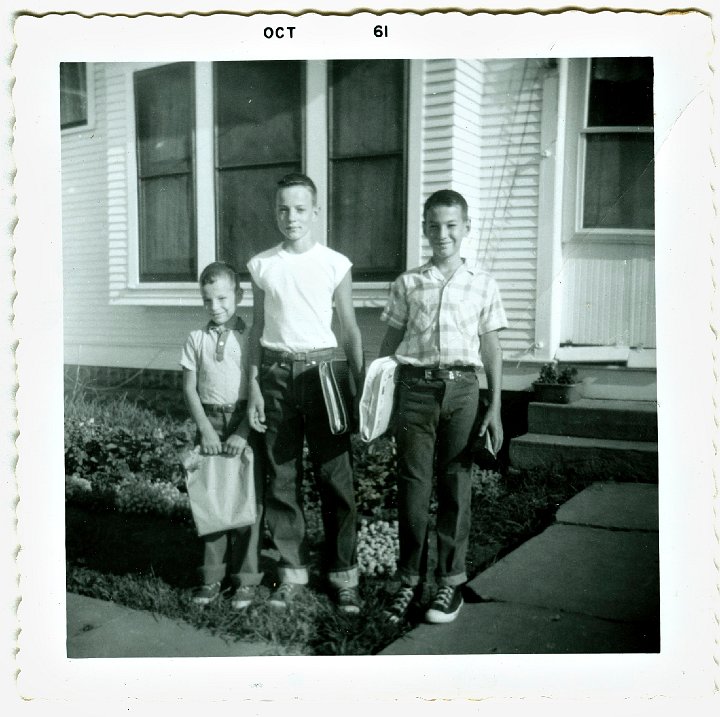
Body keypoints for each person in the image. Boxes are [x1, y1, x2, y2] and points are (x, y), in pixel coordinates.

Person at [378, 189, 507, 625]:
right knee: (413, 487)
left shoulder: (483, 283)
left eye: (451, 225)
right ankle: (409, 582)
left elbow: (491, 347)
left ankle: (450, 583)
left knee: (456, 483)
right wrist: (381, 397)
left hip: (464, 391)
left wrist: (495, 407)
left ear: (466, 228)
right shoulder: (408, 282)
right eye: (434, 225)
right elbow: (389, 343)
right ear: (424, 229)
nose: (442, 233)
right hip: (414, 390)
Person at [246, 173, 364, 614]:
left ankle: (342, 575)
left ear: (315, 211)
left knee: (336, 476)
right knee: (281, 476)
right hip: (276, 374)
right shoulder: (263, 265)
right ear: (275, 212)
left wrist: (359, 385)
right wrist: (253, 384)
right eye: (282, 209)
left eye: (299, 209)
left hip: (326, 374)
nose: (290, 217)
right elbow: (258, 327)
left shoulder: (335, 264)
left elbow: (349, 328)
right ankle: (292, 571)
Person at [181, 261, 264, 610]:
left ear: (239, 295)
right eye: (207, 300)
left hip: (243, 422)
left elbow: (256, 386)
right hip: (211, 423)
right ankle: (212, 576)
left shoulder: (251, 337)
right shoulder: (196, 339)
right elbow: (188, 388)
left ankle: (245, 580)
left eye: (222, 298)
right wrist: (204, 428)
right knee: (213, 499)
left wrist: (243, 431)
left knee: (247, 500)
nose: (215, 307)